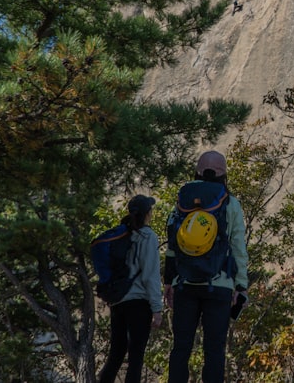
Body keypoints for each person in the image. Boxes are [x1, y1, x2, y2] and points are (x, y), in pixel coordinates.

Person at [165, 150, 250, 383]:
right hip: (219, 285)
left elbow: (173, 244)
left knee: (181, 348)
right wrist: (241, 285)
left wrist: (168, 282)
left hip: (184, 283)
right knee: (214, 351)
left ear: (198, 171)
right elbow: (238, 246)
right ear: (224, 174)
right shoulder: (230, 202)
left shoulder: (182, 200)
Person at [98, 194, 164, 383]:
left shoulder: (122, 234)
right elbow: (150, 274)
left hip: (118, 302)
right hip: (138, 303)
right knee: (136, 357)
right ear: (147, 214)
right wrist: (156, 308)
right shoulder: (147, 236)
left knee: (116, 355)